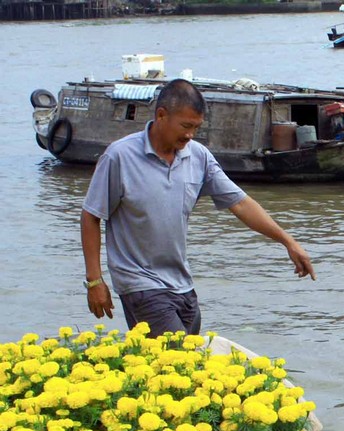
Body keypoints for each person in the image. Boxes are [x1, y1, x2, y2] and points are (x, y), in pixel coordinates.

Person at [82, 79, 314, 338]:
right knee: (176, 357)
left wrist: (287, 241)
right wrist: (95, 280)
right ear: (161, 115)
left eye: (196, 127)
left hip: (181, 282)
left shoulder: (198, 156)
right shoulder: (119, 157)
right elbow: (92, 215)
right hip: (140, 283)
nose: (190, 134)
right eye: (185, 126)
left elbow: (240, 203)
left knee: (185, 363)